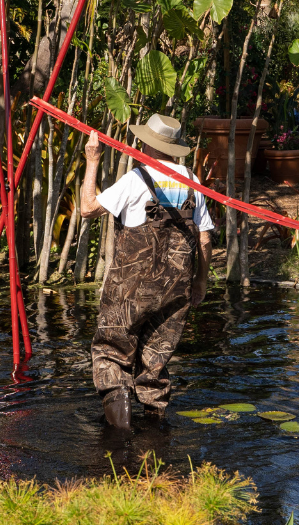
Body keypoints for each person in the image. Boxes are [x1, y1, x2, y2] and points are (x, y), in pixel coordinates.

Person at [78, 114, 214, 430]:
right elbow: (204, 237)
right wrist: (201, 280)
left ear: (144, 144)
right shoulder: (193, 182)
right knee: (155, 365)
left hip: (129, 290)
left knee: (112, 355)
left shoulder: (136, 179)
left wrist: (92, 161)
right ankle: (154, 438)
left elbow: (87, 208)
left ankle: (118, 439)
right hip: (175, 290)